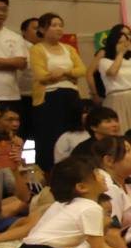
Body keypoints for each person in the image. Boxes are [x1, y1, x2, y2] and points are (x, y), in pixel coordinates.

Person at [28, 13, 87, 174]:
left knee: (72, 132)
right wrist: (69, 74)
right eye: (54, 25)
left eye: (60, 25)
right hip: (49, 97)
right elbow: (41, 75)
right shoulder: (37, 49)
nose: (58, 29)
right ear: (42, 29)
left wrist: (63, 72)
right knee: (50, 136)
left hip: (72, 96)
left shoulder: (69, 48)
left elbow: (81, 70)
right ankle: (50, 173)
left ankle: (75, 169)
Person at [0, 0, 29, 118]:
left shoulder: (15, 37)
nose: (1, 13)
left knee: (11, 127)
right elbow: (15, 62)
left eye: (4, 10)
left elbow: (21, 63)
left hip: (10, 94)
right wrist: (10, 63)